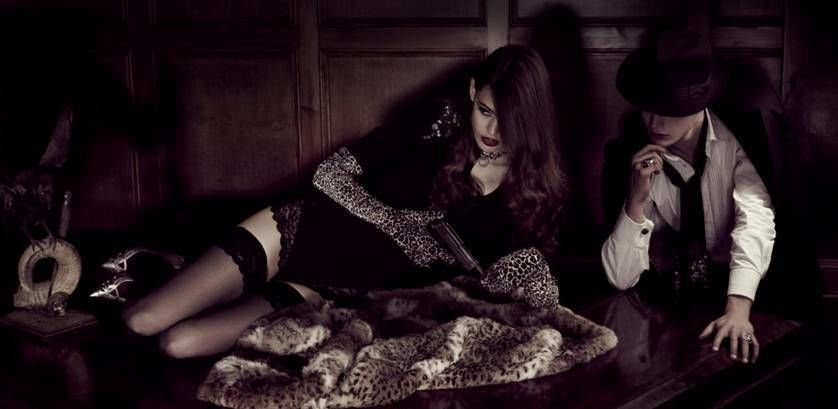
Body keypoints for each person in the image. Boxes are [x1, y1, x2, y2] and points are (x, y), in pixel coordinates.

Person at [120, 44, 569, 358]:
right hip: (299, 235)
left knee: (178, 344)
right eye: (485, 111)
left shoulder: (535, 193)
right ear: (472, 92)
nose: (492, 130)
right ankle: (169, 268)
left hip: (334, 292)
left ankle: (184, 268)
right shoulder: (439, 122)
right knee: (142, 320)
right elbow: (329, 173)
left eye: (508, 120)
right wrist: (396, 224)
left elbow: (529, 287)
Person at [601, 29, 776, 364]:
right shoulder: (629, 154)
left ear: (700, 104)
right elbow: (620, 278)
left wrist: (738, 309)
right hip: (667, 309)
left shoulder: (741, 141)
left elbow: (755, 219)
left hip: (745, 293)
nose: (655, 122)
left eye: (670, 109)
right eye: (649, 108)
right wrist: (636, 200)